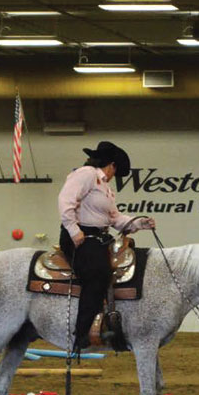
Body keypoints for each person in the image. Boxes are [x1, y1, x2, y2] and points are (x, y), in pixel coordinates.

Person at [57, 140, 155, 353]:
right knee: (98, 274)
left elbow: (115, 219)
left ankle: (110, 323)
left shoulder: (106, 189)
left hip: (99, 237)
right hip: (80, 236)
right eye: (115, 171)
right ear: (111, 165)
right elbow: (66, 201)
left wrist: (140, 223)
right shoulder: (86, 174)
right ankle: (81, 333)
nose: (114, 175)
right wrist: (74, 231)